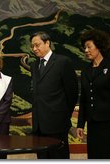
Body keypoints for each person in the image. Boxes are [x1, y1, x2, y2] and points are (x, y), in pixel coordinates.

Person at [29, 31, 78, 159]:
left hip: (57, 125)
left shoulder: (63, 62)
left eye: (37, 45)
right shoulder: (34, 65)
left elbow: (72, 93)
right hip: (39, 126)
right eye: (32, 46)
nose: (34, 49)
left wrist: (63, 116)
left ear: (47, 43)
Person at [76, 29, 110, 159]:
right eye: (84, 47)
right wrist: (80, 124)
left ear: (99, 47)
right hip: (92, 125)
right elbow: (84, 99)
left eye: (89, 47)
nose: (86, 50)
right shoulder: (85, 71)